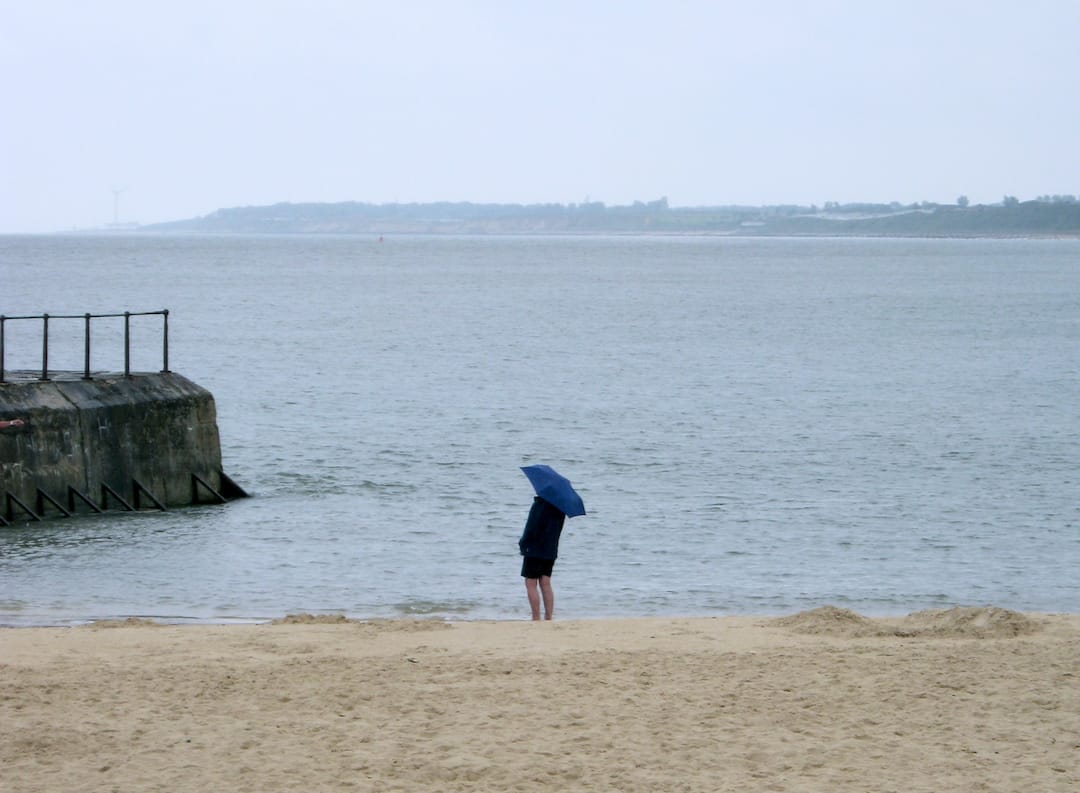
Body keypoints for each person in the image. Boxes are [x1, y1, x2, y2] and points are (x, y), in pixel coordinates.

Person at [518, 496, 567, 620]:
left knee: (530, 583)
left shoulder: (539, 505)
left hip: (534, 549)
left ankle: (536, 617)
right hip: (550, 549)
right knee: (545, 583)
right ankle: (549, 616)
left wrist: (523, 543)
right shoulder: (560, 507)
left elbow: (531, 527)